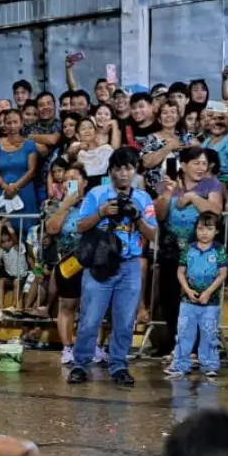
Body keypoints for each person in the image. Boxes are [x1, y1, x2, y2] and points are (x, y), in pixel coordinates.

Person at [67, 148, 155, 387]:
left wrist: (137, 217)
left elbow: (154, 234)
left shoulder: (143, 198)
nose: (124, 173)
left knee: (125, 320)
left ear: (135, 171)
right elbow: (80, 225)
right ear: (111, 171)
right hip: (100, 264)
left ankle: (119, 365)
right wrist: (101, 212)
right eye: (118, 168)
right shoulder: (97, 194)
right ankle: (80, 364)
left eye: (128, 168)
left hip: (130, 265)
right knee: (90, 318)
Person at [167, 212, 228, 379]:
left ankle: (209, 365)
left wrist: (208, 292)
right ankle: (180, 364)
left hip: (211, 303)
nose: (204, 232)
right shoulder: (188, 249)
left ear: (216, 231)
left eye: (209, 229)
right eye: (200, 228)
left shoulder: (219, 250)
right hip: (188, 301)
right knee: (185, 333)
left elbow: (222, 274)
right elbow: (180, 272)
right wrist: (187, 290)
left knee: (209, 333)